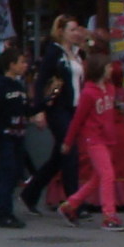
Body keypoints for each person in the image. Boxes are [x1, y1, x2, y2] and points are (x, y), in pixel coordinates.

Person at [23, 15, 86, 214]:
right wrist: (39, 109)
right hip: (58, 108)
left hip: (74, 108)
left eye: (77, 29)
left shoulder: (77, 53)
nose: (76, 33)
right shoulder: (54, 53)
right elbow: (41, 81)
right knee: (70, 152)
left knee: (59, 157)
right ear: (61, 32)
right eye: (72, 29)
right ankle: (73, 202)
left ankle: (30, 192)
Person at [60, 50, 124, 232]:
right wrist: (68, 141)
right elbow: (78, 119)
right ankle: (109, 215)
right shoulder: (89, 93)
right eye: (108, 67)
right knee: (107, 175)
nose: (111, 70)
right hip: (94, 139)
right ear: (100, 69)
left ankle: (70, 205)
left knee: (97, 178)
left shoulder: (110, 88)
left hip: (108, 138)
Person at [0, 47, 42, 229]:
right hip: (4, 135)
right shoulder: (0, 86)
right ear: (11, 64)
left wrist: (44, 103)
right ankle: (4, 213)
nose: (25, 66)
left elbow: (25, 110)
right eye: (21, 62)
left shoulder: (19, 86)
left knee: (14, 173)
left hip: (18, 135)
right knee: (8, 173)